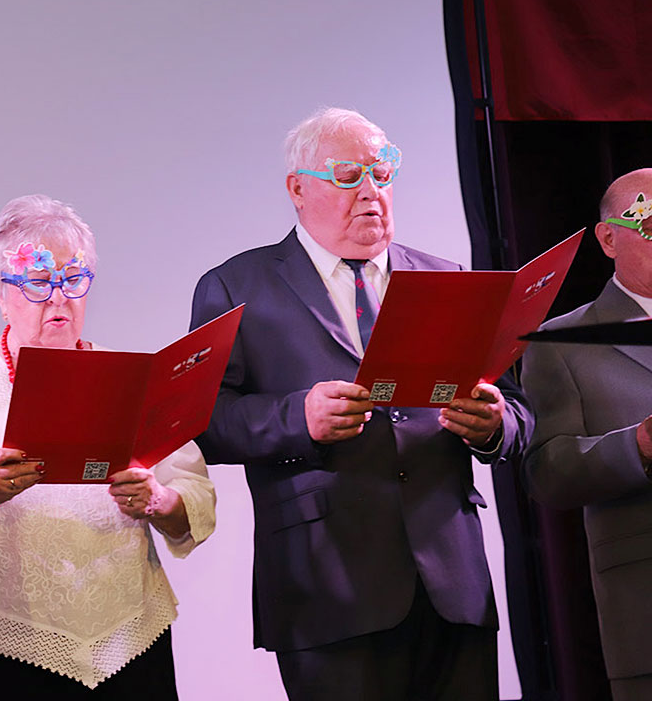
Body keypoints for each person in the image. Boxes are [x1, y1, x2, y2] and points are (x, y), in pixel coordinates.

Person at [190, 108, 534, 700]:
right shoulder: (235, 286)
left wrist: (494, 424)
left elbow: (520, 413)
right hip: (325, 586)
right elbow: (203, 421)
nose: (371, 191)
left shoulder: (446, 277)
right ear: (298, 189)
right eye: (349, 175)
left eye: (382, 172)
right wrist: (297, 418)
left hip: (451, 580)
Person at [0, 194, 216, 699]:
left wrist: (158, 499)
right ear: (1, 293)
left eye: (74, 279)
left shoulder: (132, 379)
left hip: (129, 634)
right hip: (4, 640)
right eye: (39, 282)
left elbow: (196, 497)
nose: (59, 298)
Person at [522, 168, 652, 701]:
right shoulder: (561, 342)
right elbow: (548, 473)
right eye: (651, 223)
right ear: (609, 238)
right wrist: (639, 445)